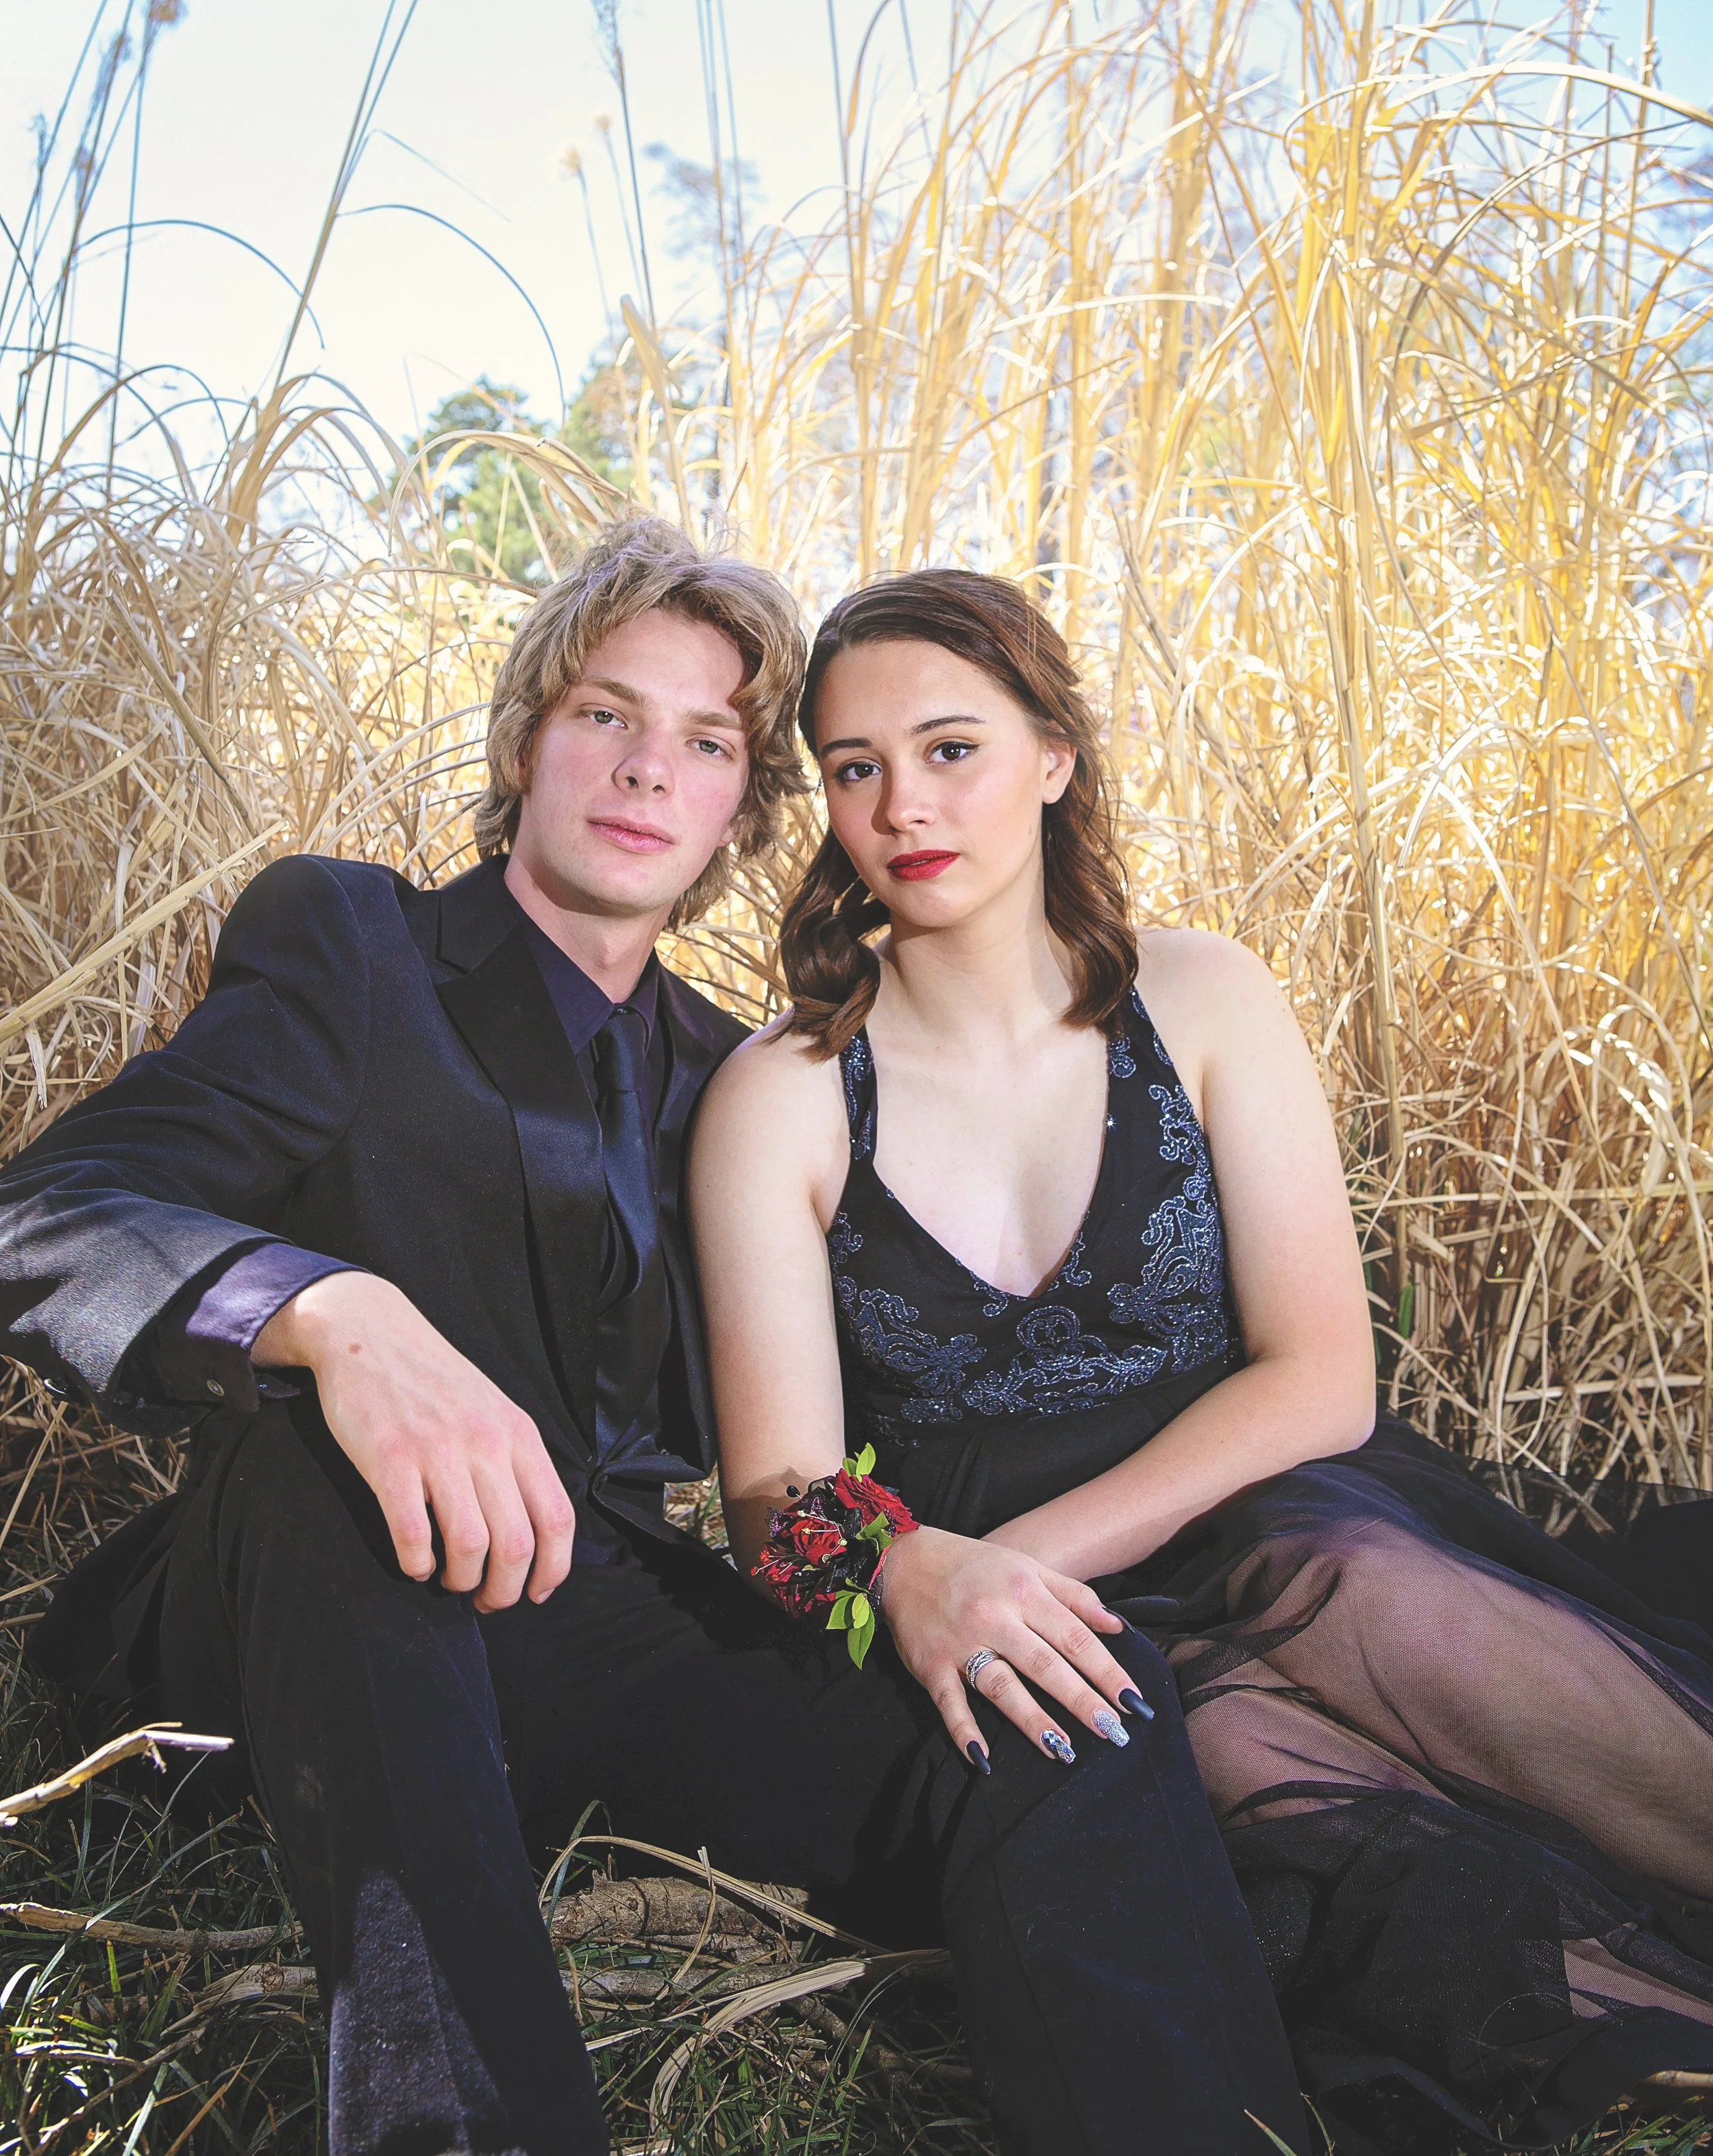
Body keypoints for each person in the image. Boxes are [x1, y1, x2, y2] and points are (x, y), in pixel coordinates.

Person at [0, 520, 1307, 2156]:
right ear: (525, 739)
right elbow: (49, 1209)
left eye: (704, 742)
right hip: (301, 1615)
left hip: (592, 1623)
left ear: (745, 811)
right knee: (315, 1467)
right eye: (604, 714)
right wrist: (330, 1315)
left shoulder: (744, 1083)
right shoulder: (353, 948)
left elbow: (783, 1481)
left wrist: (918, 1563)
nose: (643, 769)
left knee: (1065, 1696)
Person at [690, 566, 1713, 2156]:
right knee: (1223, 1745)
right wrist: (918, 1575)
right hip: (1036, 1594)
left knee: (1376, 1597)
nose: (902, 803)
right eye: (853, 766)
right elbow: (780, 1502)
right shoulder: (786, 1087)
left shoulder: (1198, 993)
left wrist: (1014, 1559)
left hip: (1257, 1479)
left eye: (950, 747)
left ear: (1053, 754)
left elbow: (1319, 1374)